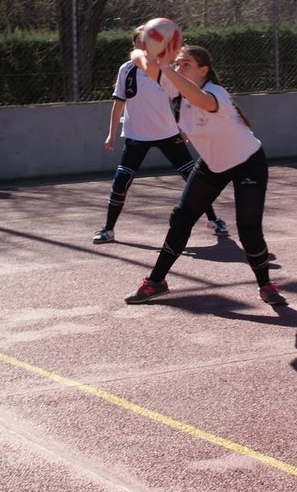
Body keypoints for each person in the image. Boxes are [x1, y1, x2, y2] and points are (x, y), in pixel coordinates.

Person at [124, 44, 286, 307]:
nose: (179, 68)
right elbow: (136, 58)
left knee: (248, 228)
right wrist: (148, 47)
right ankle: (156, 282)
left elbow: (198, 99)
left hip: (248, 163)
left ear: (204, 70)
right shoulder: (175, 88)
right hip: (212, 163)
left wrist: (165, 67)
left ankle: (266, 285)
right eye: (178, 63)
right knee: (181, 218)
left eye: (186, 64)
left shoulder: (215, 93)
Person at [93, 26, 228, 244]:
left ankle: (214, 220)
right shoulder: (126, 70)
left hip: (168, 134)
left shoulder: (167, 70)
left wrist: (186, 127)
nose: (142, 45)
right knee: (120, 182)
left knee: (192, 179)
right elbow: (119, 102)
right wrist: (112, 134)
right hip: (136, 136)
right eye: (139, 42)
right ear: (134, 46)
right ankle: (108, 229)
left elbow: (182, 99)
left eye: (147, 42)